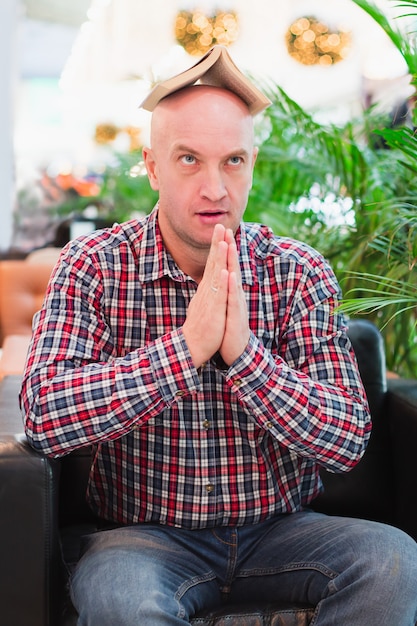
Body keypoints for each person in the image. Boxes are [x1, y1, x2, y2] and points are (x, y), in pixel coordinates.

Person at [20, 47, 417, 626]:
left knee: (394, 564)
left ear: (252, 162)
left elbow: (347, 439)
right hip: (141, 539)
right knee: (119, 602)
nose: (215, 188)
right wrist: (183, 351)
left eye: (233, 161)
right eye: (188, 160)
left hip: (282, 533)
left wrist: (244, 356)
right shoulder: (95, 265)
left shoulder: (294, 270)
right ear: (153, 166)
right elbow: (43, 416)